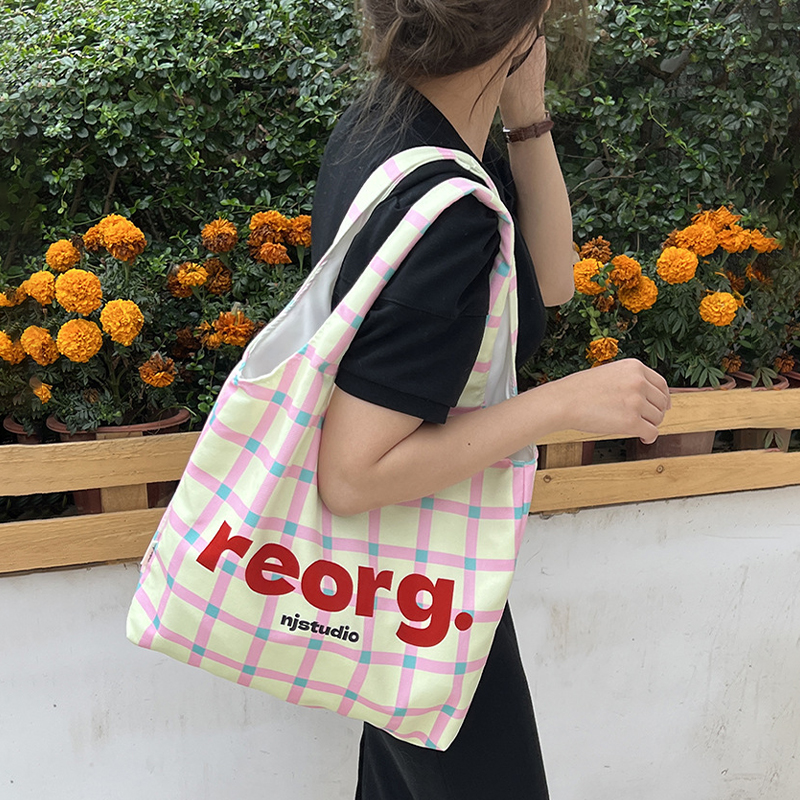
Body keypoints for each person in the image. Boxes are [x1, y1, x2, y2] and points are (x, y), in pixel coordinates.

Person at [311, 1, 671, 796]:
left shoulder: (399, 134)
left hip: (400, 574)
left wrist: (526, 116)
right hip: (418, 591)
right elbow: (352, 472)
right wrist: (563, 404)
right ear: (527, 23)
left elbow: (553, 281)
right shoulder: (441, 205)